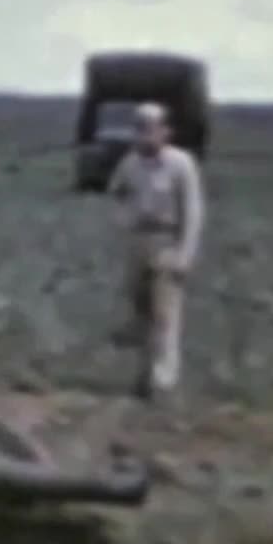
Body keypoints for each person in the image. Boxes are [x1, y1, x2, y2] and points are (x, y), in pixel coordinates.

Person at [107, 102, 205, 401]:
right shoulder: (131, 163)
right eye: (139, 129)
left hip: (167, 240)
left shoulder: (181, 164)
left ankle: (164, 382)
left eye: (150, 129)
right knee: (139, 311)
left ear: (165, 131)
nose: (144, 136)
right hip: (139, 240)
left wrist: (185, 254)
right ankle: (143, 375)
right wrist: (123, 220)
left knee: (165, 314)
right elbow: (116, 192)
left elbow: (193, 211)